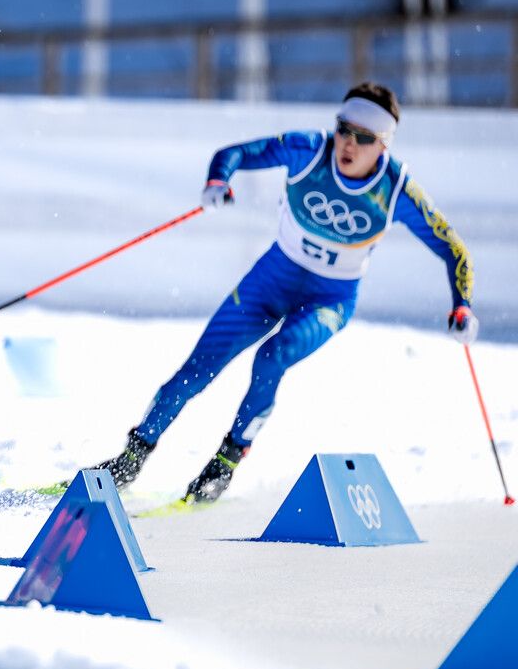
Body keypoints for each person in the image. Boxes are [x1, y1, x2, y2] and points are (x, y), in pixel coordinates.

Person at [88, 82, 476, 506]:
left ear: (383, 145)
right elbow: (234, 153)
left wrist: (461, 306)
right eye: (344, 129)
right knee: (194, 372)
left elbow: (453, 249)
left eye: (364, 138)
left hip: (329, 302)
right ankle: (131, 459)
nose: (348, 143)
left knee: (272, 357)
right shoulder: (308, 149)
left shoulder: (397, 190)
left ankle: (227, 460)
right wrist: (218, 180)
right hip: (270, 281)